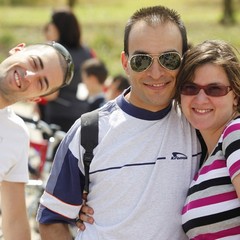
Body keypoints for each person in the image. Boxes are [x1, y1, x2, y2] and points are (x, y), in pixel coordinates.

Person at [37, 5, 203, 240]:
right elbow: (52, 220)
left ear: (185, 60)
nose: (156, 72)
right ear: (125, 62)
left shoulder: (200, 124)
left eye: (169, 59)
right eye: (141, 61)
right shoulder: (89, 131)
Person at [0, 41, 74, 240]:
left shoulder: (16, 135)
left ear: (36, 98)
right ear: (17, 49)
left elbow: (14, 220)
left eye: (41, 83)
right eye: (34, 62)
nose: (29, 76)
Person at [175, 40, 240, 239]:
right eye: (190, 88)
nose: (201, 99)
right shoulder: (205, 157)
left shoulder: (235, 133)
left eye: (214, 89)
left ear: (236, 96)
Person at [39, 7, 96, 132]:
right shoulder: (87, 52)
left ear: (58, 27)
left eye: (52, 23)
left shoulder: (56, 52)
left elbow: (52, 95)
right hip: (83, 112)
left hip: (59, 115)